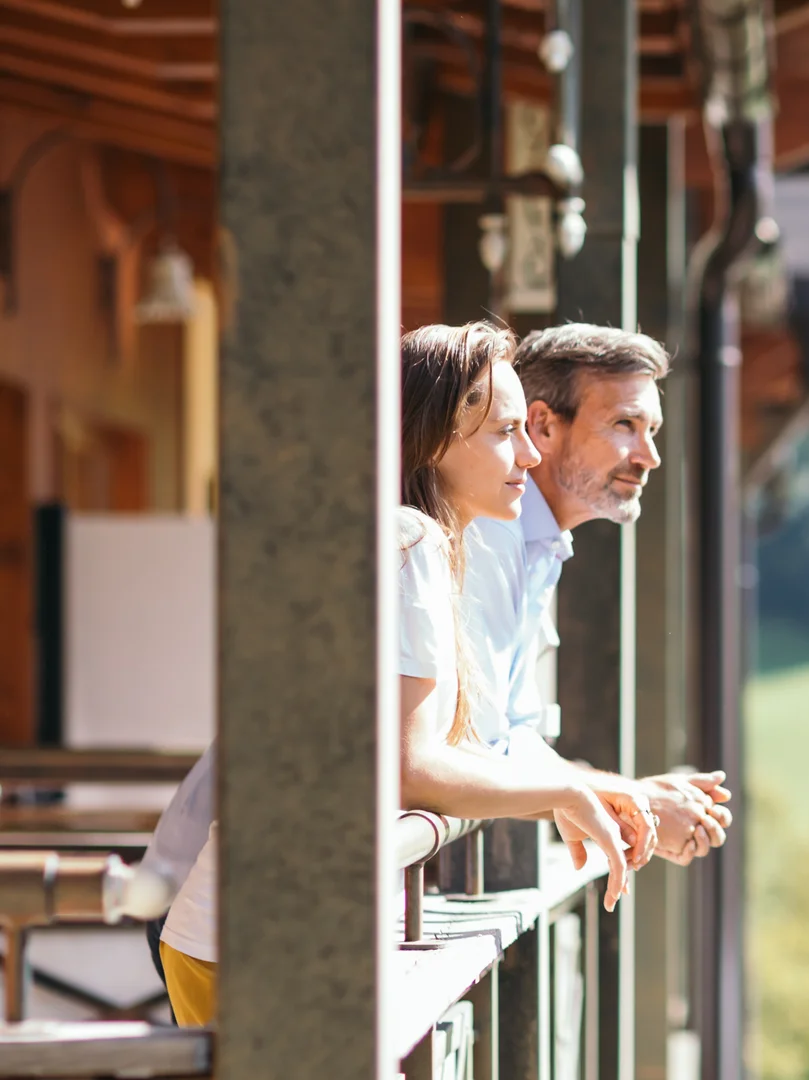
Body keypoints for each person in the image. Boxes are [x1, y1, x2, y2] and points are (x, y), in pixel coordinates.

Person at [155, 323, 650, 1027]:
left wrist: (574, 790)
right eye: (504, 432)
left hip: (273, 928)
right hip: (265, 936)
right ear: (435, 438)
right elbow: (413, 769)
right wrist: (567, 790)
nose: (530, 454)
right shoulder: (412, 543)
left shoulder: (423, 543)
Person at [465, 321, 732, 865]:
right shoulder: (489, 536)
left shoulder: (536, 543)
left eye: (651, 429)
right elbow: (481, 751)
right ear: (542, 425)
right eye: (625, 425)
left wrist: (627, 796)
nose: (649, 456)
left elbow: (513, 739)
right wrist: (631, 799)